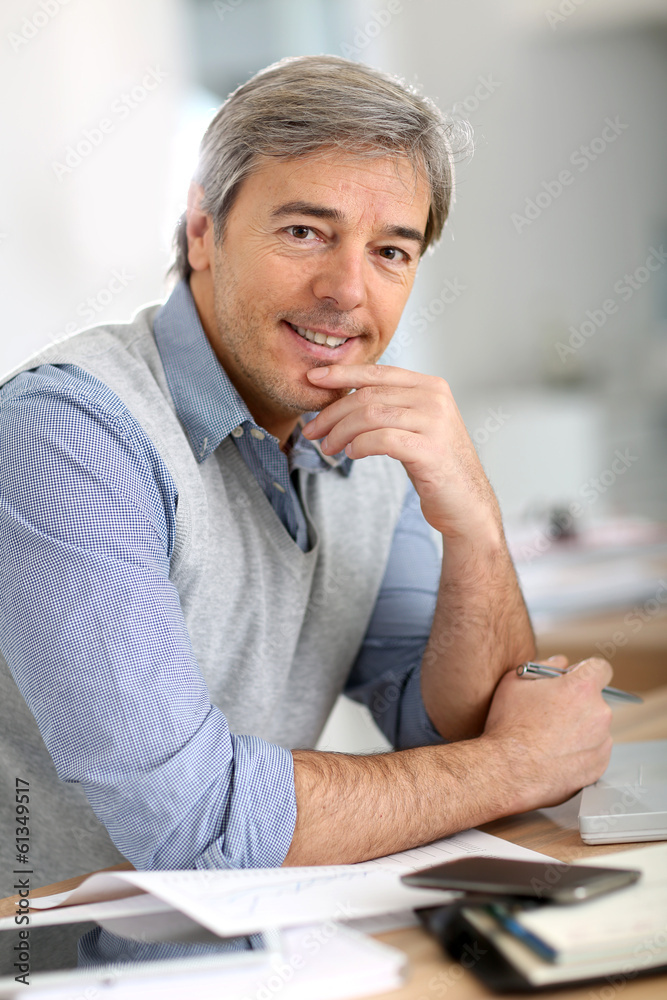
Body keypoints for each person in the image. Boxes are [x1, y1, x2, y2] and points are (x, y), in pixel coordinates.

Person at [0, 55, 613, 896]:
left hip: (252, 947)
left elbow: (448, 730)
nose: (345, 292)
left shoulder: (359, 425)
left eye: (390, 250)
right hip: (47, 960)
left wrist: (473, 523)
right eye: (304, 232)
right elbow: (195, 825)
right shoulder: (67, 436)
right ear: (202, 232)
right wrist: (518, 767)